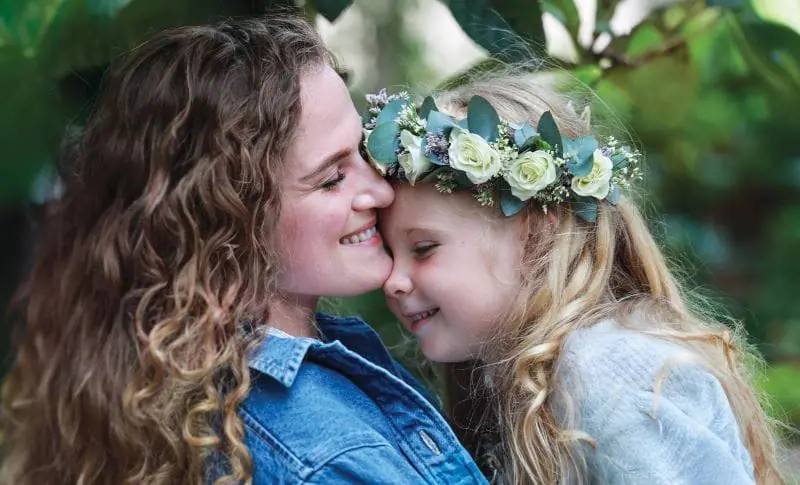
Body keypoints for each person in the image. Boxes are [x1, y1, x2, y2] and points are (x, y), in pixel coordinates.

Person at [0, 15, 487, 485]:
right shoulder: (319, 454)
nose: (380, 193)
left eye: (363, 151)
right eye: (332, 179)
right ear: (232, 217)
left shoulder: (180, 388)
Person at [367, 74, 785, 484]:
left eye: (423, 248)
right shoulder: (513, 387)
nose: (393, 281)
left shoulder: (606, 373)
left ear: (536, 233)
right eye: (388, 254)